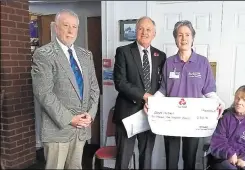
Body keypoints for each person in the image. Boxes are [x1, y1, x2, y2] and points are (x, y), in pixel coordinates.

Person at [144, 20, 225, 169]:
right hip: (172, 119)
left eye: (187, 34)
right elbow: (163, 89)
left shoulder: (202, 62)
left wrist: (219, 102)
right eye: (180, 35)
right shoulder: (169, 63)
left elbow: (209, 90)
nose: (184, 38)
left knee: (190, 160)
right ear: (175, 39)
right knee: (171, 160)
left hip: (193, 120)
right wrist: (152, 103)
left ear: (193, 38)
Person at [31, 9, 100, 169]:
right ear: (56, 27)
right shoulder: (44, 54)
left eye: (74, 26)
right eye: (66, 25)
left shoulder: (86, 55)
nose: (70, 30)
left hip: (81, 129)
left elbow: (94, 89)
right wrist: (70, 119)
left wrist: (90, 115)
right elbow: (43, 93)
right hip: (58, 130)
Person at [113, 16, 167, 169]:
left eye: (148, 29)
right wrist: (144, 96)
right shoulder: (123, 52)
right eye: (141, 29)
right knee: (123, 158)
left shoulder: (161, 56)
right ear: (136, 31)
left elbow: (163, 85)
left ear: (154, 34)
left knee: (146, 157)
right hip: (127, 114)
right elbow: (120, 83)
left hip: (150, 114)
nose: (144, 32)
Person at [210, 85, 245, 169]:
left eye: (244, 100)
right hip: (225, 158)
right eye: (237, 98)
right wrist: (230, 154)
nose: (239, 102)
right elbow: (218, 141)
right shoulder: (226, 117)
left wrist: (244, 159)